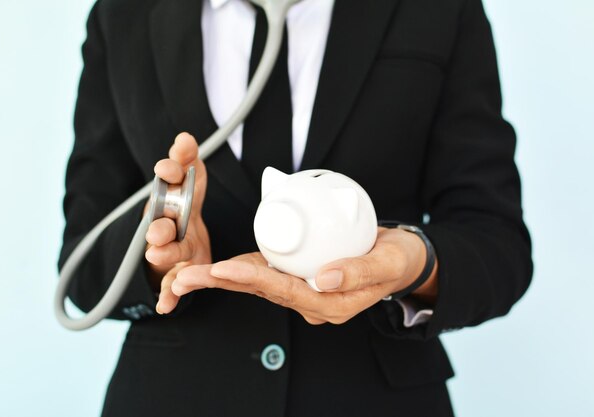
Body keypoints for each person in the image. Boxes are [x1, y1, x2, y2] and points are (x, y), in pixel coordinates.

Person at [59, 0, 533, 416]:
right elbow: (81, 258)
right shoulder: (122, 13)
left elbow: (497, 244)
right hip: (173, 396)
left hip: (376, 399)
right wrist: (161, 259)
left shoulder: (437, 9)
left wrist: (412, 264)